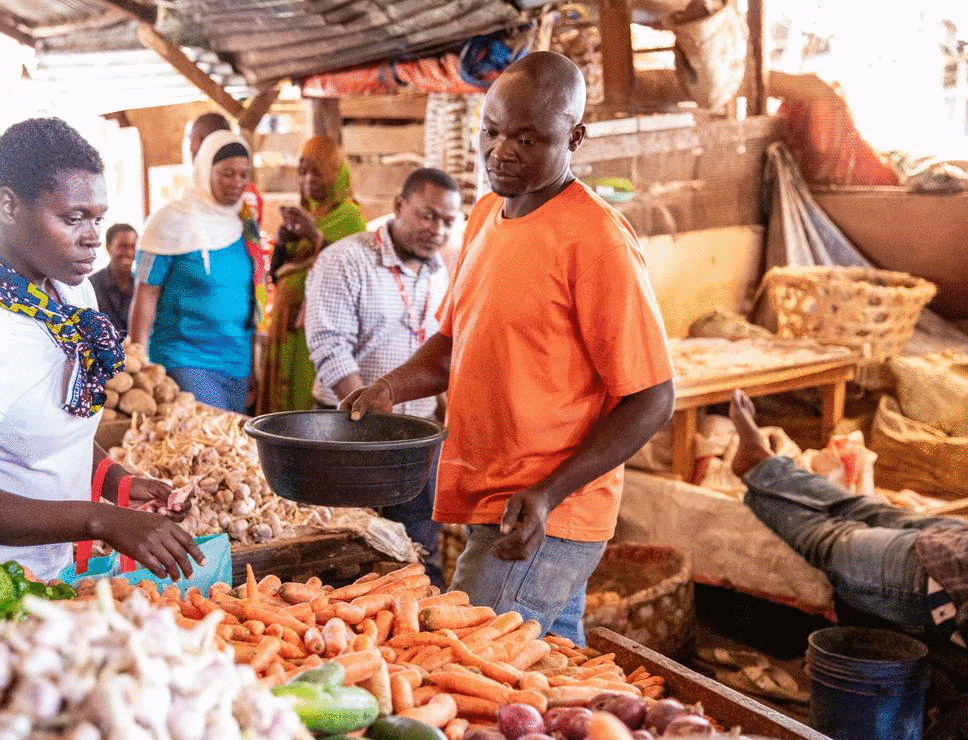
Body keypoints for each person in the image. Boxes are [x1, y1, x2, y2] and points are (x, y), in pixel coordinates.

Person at [344, 52, 676, 645]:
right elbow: (454, 342)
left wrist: (548, 493)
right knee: (546, 674)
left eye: (528, 139)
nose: (502, 152)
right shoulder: (485, 215)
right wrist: (391, 387)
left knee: (460, 656)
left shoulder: (596, 239)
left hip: (545, 514)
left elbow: (651, 397)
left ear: (574, 136)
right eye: (492, 132)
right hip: (492, 498)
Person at [0, 117, 203, 582]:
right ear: (8, 206)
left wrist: (116, 483)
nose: (92, 237)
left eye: (97, 219)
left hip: (52, 570)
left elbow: (45, 429)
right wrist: (103, 520)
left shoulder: (70, 295)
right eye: (73, 219)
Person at [306, 167, 462, 586]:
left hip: (417, 439)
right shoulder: (345, 259)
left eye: (448, 221)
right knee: (345, 555)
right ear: (399, 206)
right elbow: (329, 345)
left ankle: (420, 641)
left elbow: (445, 353)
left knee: (416, 556)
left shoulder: (444, 273)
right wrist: (368, 414)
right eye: (428, 216)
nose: (437, 230)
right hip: (349, 432)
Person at [728, 390, 966, 648]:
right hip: (953, 556)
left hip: (947, 574)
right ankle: (761, 465)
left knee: (845, 531)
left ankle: (760, 467)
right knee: (857, 519)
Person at [129, 130, 260, 413]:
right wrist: (138, 366)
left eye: (243, 174)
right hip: (184, 359)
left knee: (226, 446)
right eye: (226, 173)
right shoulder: (169, 221)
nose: (237, 183)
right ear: (204, 170)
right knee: (203, 444)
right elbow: (145, 293)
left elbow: (250, 294)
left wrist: (253, 366)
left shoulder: (244, 223)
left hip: (236, 361)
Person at [256, 136, 366, 414]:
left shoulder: (349, 218)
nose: (307, 180)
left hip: (315, 329)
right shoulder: (307, 212)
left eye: (317, 171)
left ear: (334, 172)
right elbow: (277, 274)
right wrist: (283, 240)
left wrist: (313, 235)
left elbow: (349, 267)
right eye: (302, 172)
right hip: (285, 325)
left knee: (303, 400)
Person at [90, 222, 137, 336]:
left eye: (133, 247)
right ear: (108, 247)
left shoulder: (142, 286)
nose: (129, 253)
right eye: (122, 246)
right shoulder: (91, 285)